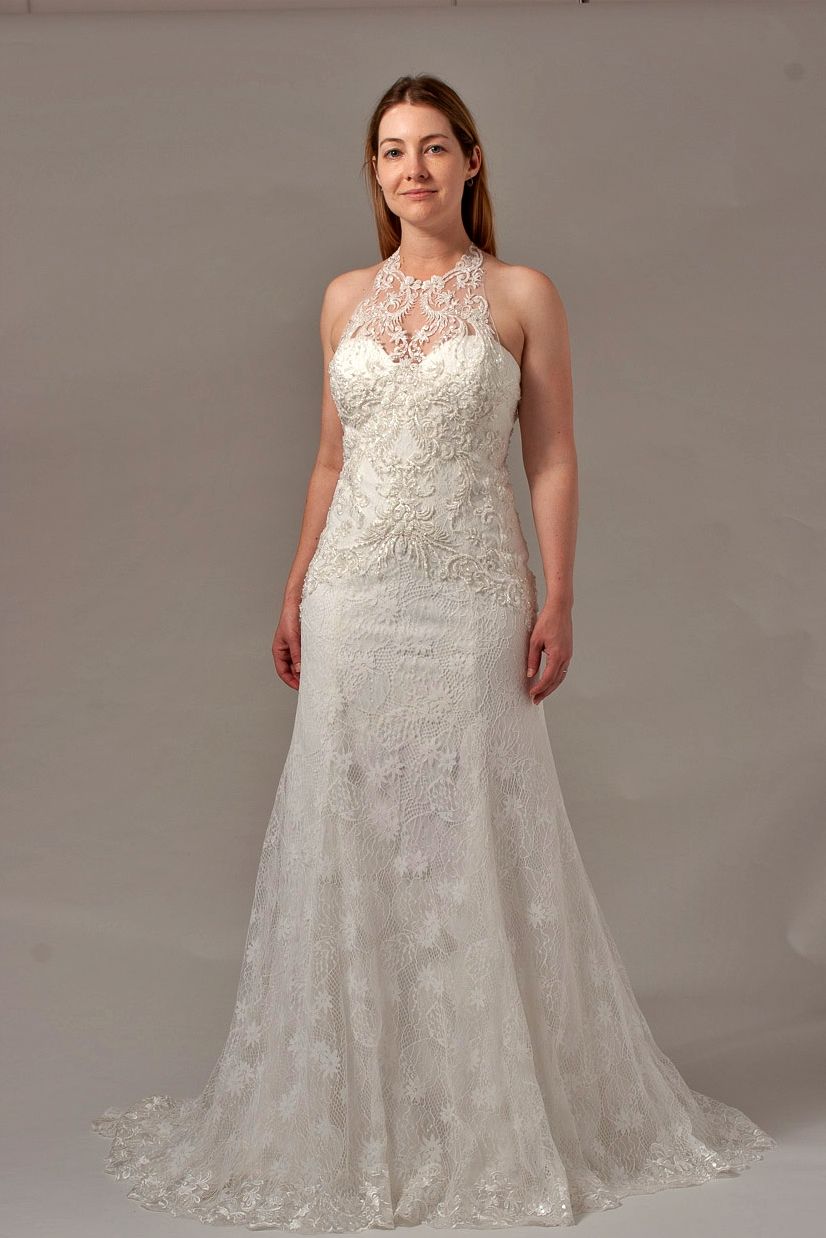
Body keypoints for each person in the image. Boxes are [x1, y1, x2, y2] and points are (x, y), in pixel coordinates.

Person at [91, 74, 776, 1230]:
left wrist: (559, 595)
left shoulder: (519, 293)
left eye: (433, 148)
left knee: (463, 833)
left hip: (465, 594)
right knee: (349, 826)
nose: (412, 168)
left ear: (470, 162)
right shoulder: (341, 300)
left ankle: (481, 1105)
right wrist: (297, 580)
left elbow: (551, 457)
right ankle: (361, 1106)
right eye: (391, 151)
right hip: (356, 592)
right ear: (373, 173)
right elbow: (328, 458)